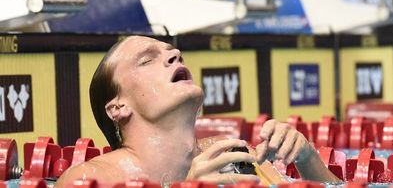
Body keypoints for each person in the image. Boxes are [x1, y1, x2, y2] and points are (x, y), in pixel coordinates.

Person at [55, 36, 340, 187]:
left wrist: (306, 158)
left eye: (172, 52)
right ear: (118, 107)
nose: (174, 55)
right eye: (146, 61)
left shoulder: (227, 154)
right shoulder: (91, 180)